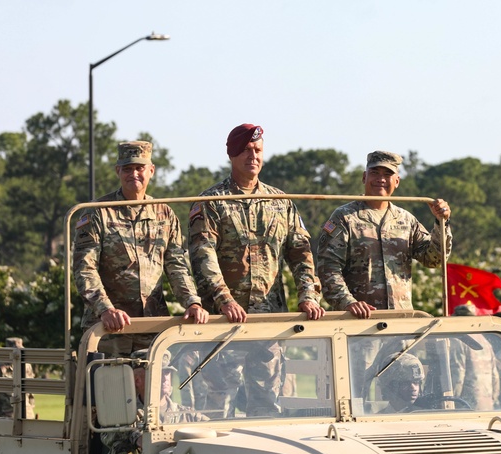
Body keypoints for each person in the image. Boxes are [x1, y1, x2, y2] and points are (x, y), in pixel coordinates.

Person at [188, 124, 324, 414]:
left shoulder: (280, 202)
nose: (253, 156)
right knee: (217, 407)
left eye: (258, 150)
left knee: (266, 406)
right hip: (222, 324)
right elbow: (203, 254)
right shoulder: (212, 202)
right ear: (232, 155)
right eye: (246, 151)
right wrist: (225, 299)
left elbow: (300, 253)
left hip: (268, 323)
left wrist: (308, 294)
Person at [73, 141, 208, 358]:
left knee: (157, 391)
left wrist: (192, 302)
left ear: (151, 171)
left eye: (139, 168)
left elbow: (177, 267)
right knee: (111, 390)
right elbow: (85, 269)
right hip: (108, 332)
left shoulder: (164, 214)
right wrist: (105, 309)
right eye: (127, 168)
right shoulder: (97, 213)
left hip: (152, 331)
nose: (133, 174)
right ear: (118, 171)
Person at [317, 150, 452, 318]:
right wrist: (348, 302)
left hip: (400, 323)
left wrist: (442, 223)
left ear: (397, 181)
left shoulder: (406, 220)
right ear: (364, 177)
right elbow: (328, 267)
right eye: (375, 173)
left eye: (387, 174)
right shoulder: (344, 217)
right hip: (357, 323)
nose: (380, 179)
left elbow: (434, 259)